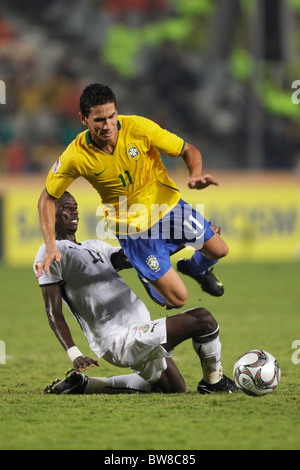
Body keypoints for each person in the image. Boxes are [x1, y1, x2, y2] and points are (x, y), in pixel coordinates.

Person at [36, 83, 228, 310]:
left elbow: (188, 150)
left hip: (167, 206)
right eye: (99, 120)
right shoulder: (75, 156)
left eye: (112, 116)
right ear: (83, 119)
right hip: (131, 227)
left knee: (219, 250)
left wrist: (194, 176)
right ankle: (149, 275)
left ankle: (195, 268)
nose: (108, 125)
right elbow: (47, 198)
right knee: (178, 299)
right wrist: (51, 246)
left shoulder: (138, 127)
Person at [34, 192, 237, 395]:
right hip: (120, 339)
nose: (74, 210)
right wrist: (74, 354)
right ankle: (213, 383)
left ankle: (86, 384)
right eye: (66, 207)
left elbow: (135, 258)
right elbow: (53, 311)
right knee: (203, 320)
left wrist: (192, 239)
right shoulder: (50, 252)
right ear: (49, 215)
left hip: (138, 328)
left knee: (174, 388)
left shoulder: (94, 246)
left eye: (75, 205)